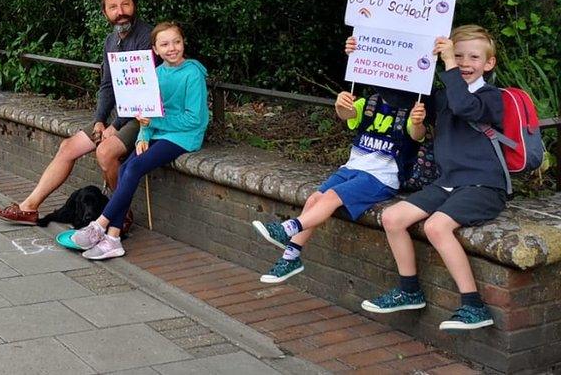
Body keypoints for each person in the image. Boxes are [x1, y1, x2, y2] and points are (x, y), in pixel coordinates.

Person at [362, 25, 506, 332]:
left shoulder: (492, 97)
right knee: (392, 217)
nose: (465, 62)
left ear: (489, 64)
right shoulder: (443, 95)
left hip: (483, 185)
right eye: (458, 55)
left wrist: (450, 65)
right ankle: (409, 290)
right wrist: (367, 54)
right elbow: (400, 97)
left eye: (473, 57)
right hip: (448, 182)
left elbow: (465, 106)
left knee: (436, 226)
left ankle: (473, 305)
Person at [252, 38, 426, 284]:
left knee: (331, 197)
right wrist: (341, 103)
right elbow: (347, 115)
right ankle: (291, 257)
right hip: (353, 167)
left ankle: (289, 229)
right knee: (314, 199)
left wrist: (418, 123)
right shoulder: (369, 103)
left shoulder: (411, 110)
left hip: (380, 177)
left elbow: (417, 135)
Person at [0, 0, 154, 226]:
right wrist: (100, 120)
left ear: (135, 6)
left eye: (125, 4)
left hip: (143, 116)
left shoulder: (146, 37)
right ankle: (29, 207)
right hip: (118, 116)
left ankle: (121, 212)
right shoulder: (111, 41)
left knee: (105, 151)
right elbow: (108, 85)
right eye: (113, 7)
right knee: (69, 147)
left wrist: (116, 125)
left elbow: (142, 89)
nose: (120, 11)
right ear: (105, 13)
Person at [72, 22, 209, 260]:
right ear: (155, 50)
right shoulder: (155, 74)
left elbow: (194, 118)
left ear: (183, 42)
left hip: (183, 136)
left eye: (176, 42)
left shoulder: (193, 73)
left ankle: (99, 225)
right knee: (125, 168)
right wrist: (143, 135)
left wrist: (152, 125)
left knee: (134, 167)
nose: (172, 48)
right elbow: (147, 112)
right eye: (164, 44)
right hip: (158, 132)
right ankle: (113, 238)